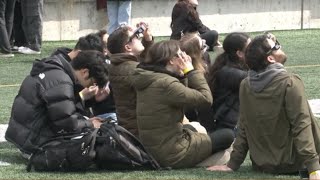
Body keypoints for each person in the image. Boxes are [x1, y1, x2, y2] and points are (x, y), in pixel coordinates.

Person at [207, 33, 320, 180]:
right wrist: (313, 168)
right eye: (276, 46)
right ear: (270, 58)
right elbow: (301, 124)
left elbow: (243, 126)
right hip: (294, 163)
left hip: (262, 165)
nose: (280, 46)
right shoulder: (290, 82)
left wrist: (232, 164)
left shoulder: (246, 85)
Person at [131, 40, 234, 168]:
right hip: (170, 154)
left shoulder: (151, 78)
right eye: (181, 54)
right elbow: (205, 99)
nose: (186, 58)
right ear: (171, 60)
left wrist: (182, 75)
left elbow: (183, 98)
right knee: (227, 135)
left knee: (195, 126)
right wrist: (190, 71)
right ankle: (201, 161)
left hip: (155, 148)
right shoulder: (166, 84)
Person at [5, 50, 108, 157]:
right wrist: (91, 124)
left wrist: (83, 100)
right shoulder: (61, 81)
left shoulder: (55, 68)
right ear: (85, 72)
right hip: (35, 144)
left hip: (26, 135)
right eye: (93, 83)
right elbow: (67, 125)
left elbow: (58, 108)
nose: (91, 87)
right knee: (93, 144)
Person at [106, 24, 153, 136]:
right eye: (136, 36)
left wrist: (148, 40)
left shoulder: (119, 65)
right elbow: (152, 68)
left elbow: (144, 63)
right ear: (128, 47)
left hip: (130, 128)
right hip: (141, 131)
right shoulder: (133, 70)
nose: (139, 37)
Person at [201, 32, 250, 133]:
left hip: (231, 122)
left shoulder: (228, 66)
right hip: (229, 126)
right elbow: (263, 79)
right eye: (250, 48)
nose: (255, 51)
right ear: (240, 53)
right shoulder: (231, 73)